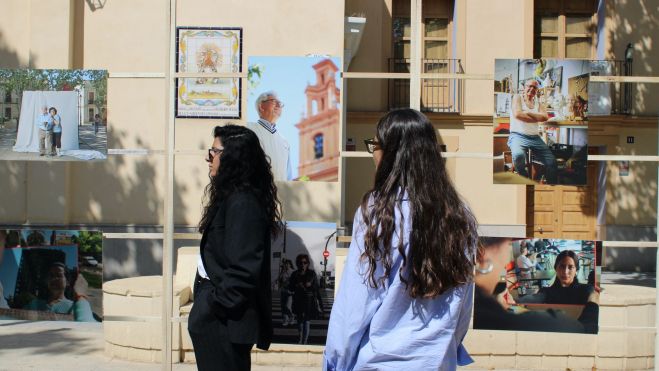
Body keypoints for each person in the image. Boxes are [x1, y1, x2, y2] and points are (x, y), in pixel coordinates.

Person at [324, 109, 477, 370]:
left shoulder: (379, 211)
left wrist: (335, 362)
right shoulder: (459, 215)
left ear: (392, 152)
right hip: (436, 362)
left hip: (380, 362)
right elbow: (463, 303)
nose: (373, 153)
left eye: (375, 144)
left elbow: (355, 305)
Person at [188, 124, 282, 371]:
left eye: (214, 152)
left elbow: (244, 269)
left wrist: (212, 306)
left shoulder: (244, 203)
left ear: (232, 157)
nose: (208, 158)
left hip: (224, 321)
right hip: (217, 319)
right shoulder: (233, 196)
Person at [473, 238, 598, 334]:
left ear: (576, 269)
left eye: (570, 267)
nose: (565, 272)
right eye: (561, 266)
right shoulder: (547, 291)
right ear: (556, 268)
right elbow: (535, 298)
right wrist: (515, 301)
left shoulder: (587, 290)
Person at [508, 79, 557, 183]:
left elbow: (545, 117)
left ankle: (551, 187)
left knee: (551, 162)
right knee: (518, 156)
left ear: (537, 90)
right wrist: (537, 117)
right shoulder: (517, 97)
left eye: (535, 87)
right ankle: (525, 180)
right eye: (529, 86)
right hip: (517, 135)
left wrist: (529, 114)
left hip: (535, 137)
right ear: (524, 87)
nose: (532, 89)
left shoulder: (538, 103)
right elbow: (518, 115)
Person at [23, 261, 95, 322]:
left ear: (67, 282)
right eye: (51, 275)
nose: (54, 278)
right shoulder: (34, 304)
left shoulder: (75, 307)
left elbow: (87, 325)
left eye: (59, 275)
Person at [247, 91, 292, 181]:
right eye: (275, 101)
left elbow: (288, 176)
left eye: (280, 104)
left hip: (279, 193)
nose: (279, 106)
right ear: (261, 106)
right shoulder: (248, 129)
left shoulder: (284, 142)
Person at [289, 254, 322, 344]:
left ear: (308, 263)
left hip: (309, 300)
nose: (302, 264)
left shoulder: (312, 273)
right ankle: (300, 337)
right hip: (298, 300)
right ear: (297, 263)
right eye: (300, 262)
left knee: (307, 321)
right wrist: (296, 286)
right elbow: (290, 287)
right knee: (299, 320)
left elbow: (316, 287)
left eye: (305, 262)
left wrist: (311, 285)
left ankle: (305, 340)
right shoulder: (294, 274)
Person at [277, 258, 295, 327]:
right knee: (283, 307)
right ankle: (285, 320)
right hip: (283, 291)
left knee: (287, 306)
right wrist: (282, 272)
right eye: (285, 264)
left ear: (290, 265)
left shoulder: (293, 272)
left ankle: (292, 316)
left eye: (288, 264)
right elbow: (279, 280)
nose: (286, 265)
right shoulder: (283, 272)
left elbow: (295, 281)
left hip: (290, 292)